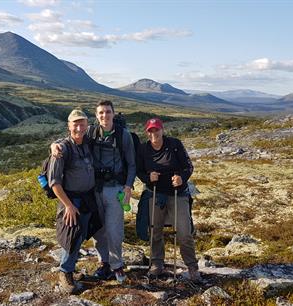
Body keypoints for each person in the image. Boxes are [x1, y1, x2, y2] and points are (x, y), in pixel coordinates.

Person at [51, 100, 136, 283]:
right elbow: (73, 137)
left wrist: (128, 186)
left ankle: (117, 265)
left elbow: (132, 163)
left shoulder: (124, 136)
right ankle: (104, 263)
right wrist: (54, 145)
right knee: (99, 230)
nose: (104, 115)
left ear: (113, 114)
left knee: (114, 230)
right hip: (94, 191)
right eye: (101, 113)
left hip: (116, 189)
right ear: (96, 117)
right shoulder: (91, 132)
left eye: (107, 112)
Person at [135, 117, 200, 281]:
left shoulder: (175, 145)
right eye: (150, 130)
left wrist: (181, 178)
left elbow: (188, 166)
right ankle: (157, 263)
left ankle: (192, 266)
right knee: (155, 230)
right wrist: (148, 177)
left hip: (177, 193)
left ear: (162, 130)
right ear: (147, 132)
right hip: (155, 193)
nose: (154, 133)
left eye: (156, 130)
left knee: (184, 232)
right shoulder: (143, 149)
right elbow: (139, 171)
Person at [47, 108, 101, 294]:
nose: (79, 127)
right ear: (69, 126)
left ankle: (70, 269)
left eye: (82, 123)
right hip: (72, 201)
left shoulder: (87, 143)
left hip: (87, 198)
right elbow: (54, 182)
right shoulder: (62, 149)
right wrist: (68, 206)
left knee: (80, 236)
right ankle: (65, 272)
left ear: (87, 125)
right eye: (75, 123)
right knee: (71, 237)